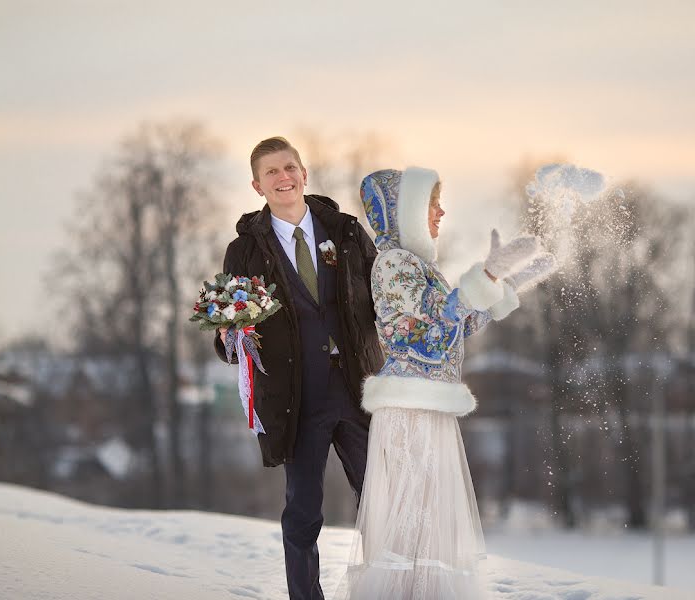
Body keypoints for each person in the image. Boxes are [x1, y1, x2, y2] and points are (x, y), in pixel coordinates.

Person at [337, 168, 557, 599]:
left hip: (429, 405)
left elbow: (458, 323)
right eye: (432, 204)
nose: (441, 212)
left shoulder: (421, 266)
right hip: (409, 408)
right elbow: (429, 327)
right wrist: (484, 280)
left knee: (428, 516)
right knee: (410, 516)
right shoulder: (392, 263)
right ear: (408, 213)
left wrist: (504, 286)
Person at [214, 137, 384, 600]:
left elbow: (385, 300)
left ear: (305, 173)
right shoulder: (244, 251)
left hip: (360, 388)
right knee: (303, 510)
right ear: (257, 185)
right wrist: (232, 337)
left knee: (382, 500)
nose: (282, 177)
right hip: (296, 397)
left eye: (289, 167)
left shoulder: (347, 232)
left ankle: (392, 588)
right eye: (271, 172)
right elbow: (228, 328)